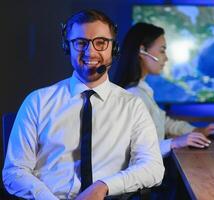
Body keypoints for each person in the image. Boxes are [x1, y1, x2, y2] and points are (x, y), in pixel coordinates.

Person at [2, 10, 164, 200]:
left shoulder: (132, 105)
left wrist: (103, 186)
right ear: (67, 47)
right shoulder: (37, 102)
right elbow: (14, 171)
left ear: (114, 48)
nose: (91, 51)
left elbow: (152, 167)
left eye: (101, 43)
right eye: (81, 43)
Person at [116, 22, 214, 157]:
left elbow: (162, 122)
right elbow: (136, 151)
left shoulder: (142, 89)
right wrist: (175, 142)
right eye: (162, 50)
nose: (166, 58)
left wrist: (198, 130)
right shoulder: (133, 95)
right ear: (142, 51)